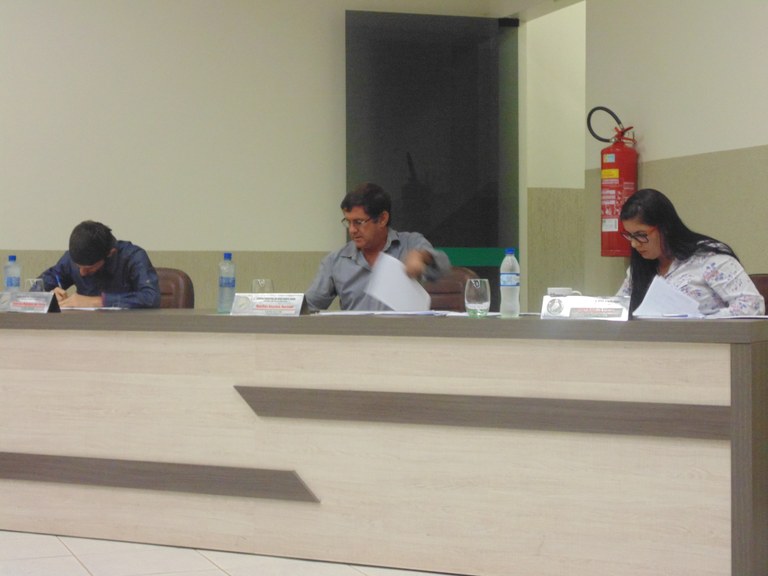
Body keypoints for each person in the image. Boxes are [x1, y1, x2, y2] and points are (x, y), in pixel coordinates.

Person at [616, 188, 764, 317]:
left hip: (706, 339)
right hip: (652, 339)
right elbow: (619, 309)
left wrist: (699, 323)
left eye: (641, 235)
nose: (634, 243)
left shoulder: (709, 258)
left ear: (665, 227)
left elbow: (752, 305)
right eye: (629, 235)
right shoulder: (639, 267)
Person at [305, 182, 451, 311]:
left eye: (358, 222)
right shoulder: (336, 261)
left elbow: (443, 266)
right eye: (348, 222)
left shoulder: (410, 243)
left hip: (404, 332)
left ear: (382, 219)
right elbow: (309, 305)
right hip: (356, 333)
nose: (352, 230)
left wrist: (422, 257)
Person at [38, 220, 161, 309]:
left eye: (89, 268)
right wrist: (49, 296)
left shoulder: (133, 257)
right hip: (83, 328)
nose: (81, 273)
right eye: (78, 266)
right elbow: (38, 286)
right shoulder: (72, 257)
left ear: (110, 254)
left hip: (127, 328)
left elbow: (151, 298)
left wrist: (99, 301)